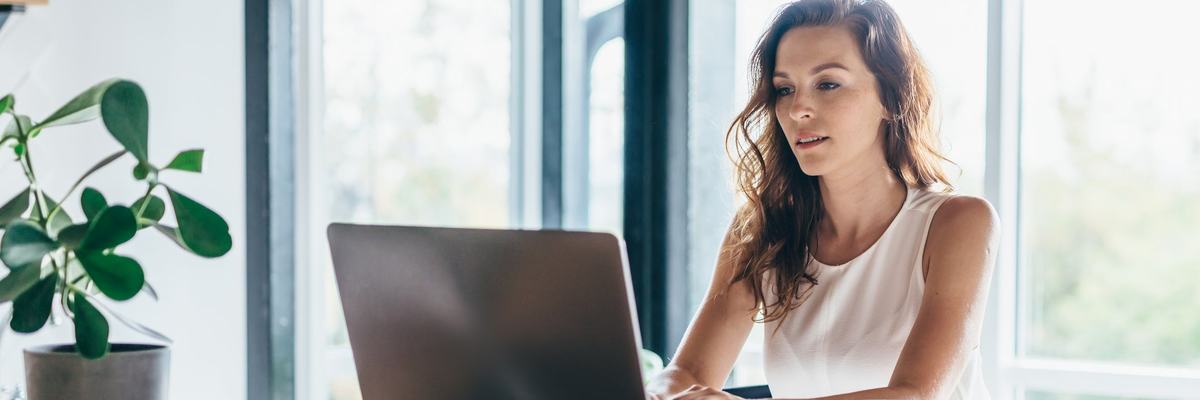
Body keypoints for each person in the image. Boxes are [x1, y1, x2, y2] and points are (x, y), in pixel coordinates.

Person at [644, 0, 998, 398]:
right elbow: (686, 372)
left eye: (827, 84)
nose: (798, 109)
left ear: (890, 96)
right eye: (784, 89)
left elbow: (915, 394)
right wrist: (665, 392)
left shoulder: (958, 223)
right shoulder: (763, 229)